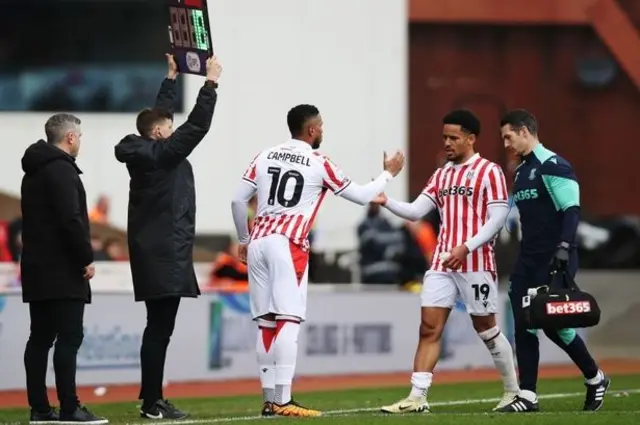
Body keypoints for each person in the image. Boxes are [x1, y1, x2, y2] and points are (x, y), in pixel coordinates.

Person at [230, 104, 405, 417]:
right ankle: (283, 401)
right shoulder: (318, 162)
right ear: (311, 130)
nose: (323, 130)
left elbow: (237, 199)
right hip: (289, 244)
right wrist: (388, 174)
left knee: (266, 323)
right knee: (288, 320)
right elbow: (364, 196)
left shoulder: (265, 154)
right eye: (321, 126)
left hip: (258, 242)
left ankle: (270, 400)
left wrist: (244, 239)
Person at [377, 109, 520, 413]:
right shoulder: (442, 173)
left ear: (471, 138)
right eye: (444, 137)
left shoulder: (489, 171)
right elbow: (416, 211)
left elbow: (497, 219)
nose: (447, 143)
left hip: (476, 262)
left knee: (486, 328)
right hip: (442, 263)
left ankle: (512, 391)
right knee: (429, 328)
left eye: (454, 137)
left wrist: (466, 247)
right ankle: (417, 397)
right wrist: (387, 201)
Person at [114, 54, 222, 420]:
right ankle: (152, 402)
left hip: (153, 250)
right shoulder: (164, 154)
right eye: (168, 127)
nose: (174, 130)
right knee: (160, 329)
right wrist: (210, 84)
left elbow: (157, 119)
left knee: (157, 328)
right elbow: (197, 126)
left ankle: (151, 398)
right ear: (159, 133)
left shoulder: (149, 150)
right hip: (166, 252)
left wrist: (171, 78)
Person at [496, 109, 610, 413]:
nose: (506, 143)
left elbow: (572, 211)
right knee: (524, 321)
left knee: (552, 324)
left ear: (524, 131)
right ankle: (529, 396)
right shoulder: (520, 172)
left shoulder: (554, 165)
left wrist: (563, 248)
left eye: (508, 136)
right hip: (528, 259)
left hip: (555, 257)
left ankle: (595, 377)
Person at [20, 113, 107, 424]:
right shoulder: (62, 172)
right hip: (63, 269)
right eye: (79, 137)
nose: (80, 142)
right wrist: (86, 257)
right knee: (69, 337)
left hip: (36, 268)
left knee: (39, 338)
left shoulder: (33, 171)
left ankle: (40, 409)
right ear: (70, 137)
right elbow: (71, 220)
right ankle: (69, 407)